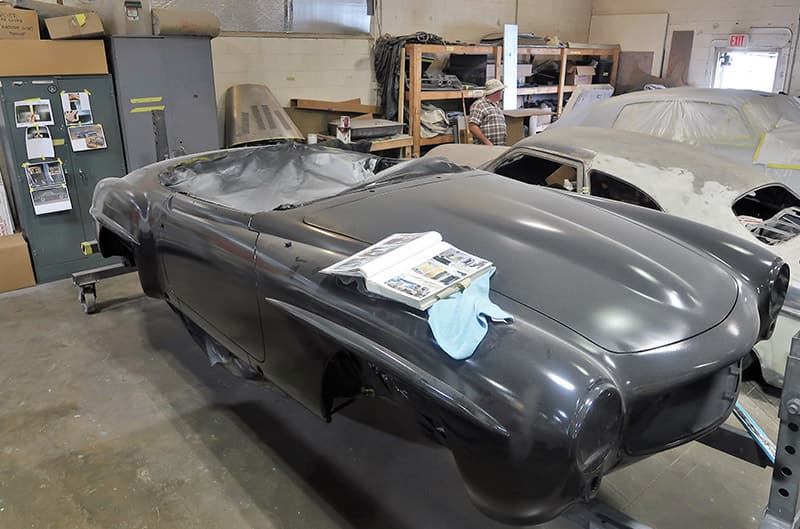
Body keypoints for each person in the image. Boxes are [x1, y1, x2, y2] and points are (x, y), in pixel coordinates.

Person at [468, 79, 507, 146]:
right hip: (485, 148)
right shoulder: (479, 105)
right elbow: (473, 127)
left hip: (498, 147)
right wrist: (487, 142)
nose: (502, 93)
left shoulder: (496, 106)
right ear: (496, 92)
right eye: (501, 91)